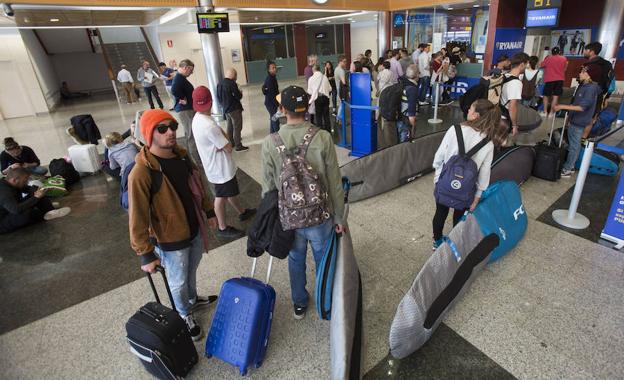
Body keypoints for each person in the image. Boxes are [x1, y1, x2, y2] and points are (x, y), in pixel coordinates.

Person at [129, 109, 219, 341]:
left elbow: (198, 185)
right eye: (162, 128)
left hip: (194, 227)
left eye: (173, 126)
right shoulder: (142, 171)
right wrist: (145, 254)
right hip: (170, 238)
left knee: (191, 270)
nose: (170, 131)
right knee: (177, 280)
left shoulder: (180, 155)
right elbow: (137, 215)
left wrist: (209, 210)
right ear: (149, 134)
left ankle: (191, 300)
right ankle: (183, 314)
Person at [260, 85, 345, 320]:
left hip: (290, 218)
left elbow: (267, 187)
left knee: (296, 258)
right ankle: (325, 301)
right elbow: (334, 182)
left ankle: (299, 303)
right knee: (323, 259)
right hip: (320, 216)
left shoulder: (270, 142)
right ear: (307, 107)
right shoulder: (323, 137)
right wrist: (339, 217)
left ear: (282, 109)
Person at [431, 99, 507, 250]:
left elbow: (439, 158)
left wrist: (437, 179)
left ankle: (437, 241)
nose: (468, 111)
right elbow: (484, 173)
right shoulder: (488, 143)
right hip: (467, 189)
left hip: (445, 181)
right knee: (459, 216)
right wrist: (477, 196)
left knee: (440, 212)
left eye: (471, 109)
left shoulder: (455, 130)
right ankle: (455, 243)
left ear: (476, 115)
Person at [191, 86, 256, 239]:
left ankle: (242, 212)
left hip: (213, 165)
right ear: (211, 101)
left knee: (229, 192)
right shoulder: (209, 125)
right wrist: (223, 134)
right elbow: (228, 147)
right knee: (221, 197)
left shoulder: (198, 118)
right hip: (220, 168)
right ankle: (222, 227)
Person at [553, 67, 600, 178]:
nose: (580, 73)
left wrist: (561, 106)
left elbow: (582, 107)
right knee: (574, 144)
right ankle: (571, 165)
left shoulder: (590, 89)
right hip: (575, 120)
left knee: (574, 146)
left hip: (579, 121)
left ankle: (568, 169)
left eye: (583, 72)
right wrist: (569, 118)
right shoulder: (584, 86)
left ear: (589, 75)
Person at [0, 167, 71, 234]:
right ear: (14, 180)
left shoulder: (10, 182)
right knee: (28, 214)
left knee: (38, 193)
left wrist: (42, 189)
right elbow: (16, 210)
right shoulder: (4, 191)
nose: (26, 182)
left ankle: (50, 211)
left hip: (12, 208)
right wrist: (36, 198)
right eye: (25, 181)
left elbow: (28, 188)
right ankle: (45, 213)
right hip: (3, 221)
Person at [171, 59, 203, 170]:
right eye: (191, 70)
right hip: (185, 110)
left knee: (188, 134)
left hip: (186, 110)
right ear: (186, 67)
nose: (192, 72)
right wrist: (182, 98)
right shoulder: (179, 78)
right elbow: (174, 90)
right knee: (191, 135)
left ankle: (189, 157)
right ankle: (199, 163)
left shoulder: (181, 78)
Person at [581, 42, 614, 138]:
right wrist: (606, 97)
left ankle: (572, 141)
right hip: (599, 95)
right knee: (591, 119)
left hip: (585, 93)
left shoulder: (588, 65)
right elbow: (611, 81)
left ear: (591, 51)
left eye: (585, 50)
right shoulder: (607, 64)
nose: (584, 52)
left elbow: (582, 80)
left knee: (576, 116)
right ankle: (583, 140)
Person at [217, 68, 248, 152]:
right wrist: (240, 93)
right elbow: (238, 96)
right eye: (236, 76)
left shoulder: (219, 83)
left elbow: (218, 98)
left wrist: (224, 106)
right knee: (237, 127)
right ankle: (238, 145)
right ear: (234, 75)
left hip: (226, 109)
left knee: (229, 126)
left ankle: (231, 142)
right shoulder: (232, 83)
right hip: (234, 109)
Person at [500, 52, 529, 136]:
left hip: (496, 114)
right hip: (503, 119)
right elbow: (512, 107)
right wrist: (514, 125)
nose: (526, 67)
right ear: (522, 64)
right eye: (526, 64)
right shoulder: (516, 83)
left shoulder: (504, 75)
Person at [540, 47, 567, 117]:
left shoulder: (548, 58)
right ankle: (551, 113)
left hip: (549, 80)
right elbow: (565, 68)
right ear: (559, 52)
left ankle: (545, 112)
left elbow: (541, 65)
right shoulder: (564, 58)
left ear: (552, 52)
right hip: (560, 80)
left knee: (546, 96)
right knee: (555, 97)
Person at [397, 65, 420, 143]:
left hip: (400, 116)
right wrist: (412, 128)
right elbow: (411, 108)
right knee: (405, 143)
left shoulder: (403, 82)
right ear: (416, 75)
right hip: (406, 119)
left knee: (401, 140)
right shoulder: (412, 89)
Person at [307, 64, 332, 132]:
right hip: (326, 98)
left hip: (317, 98)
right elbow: (330, 88)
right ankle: (328, 131)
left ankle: (320, 131)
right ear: (319, 69)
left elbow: (309, 91)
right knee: (326, 115)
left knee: (318, 116)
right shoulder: (324, 77)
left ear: (313, 70)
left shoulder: (311, 79)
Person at [263, 61, 280, 133]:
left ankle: (272, 134)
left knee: (272, 118)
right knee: (275, 120)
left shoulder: (273, 78)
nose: (275, 69)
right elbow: (272, 94)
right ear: (269, 70)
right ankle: (277, 136)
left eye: (275, 67)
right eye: (273, 68)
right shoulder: (270, 79)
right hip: (271, 104)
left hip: (272, 103)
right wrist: (278, 104)